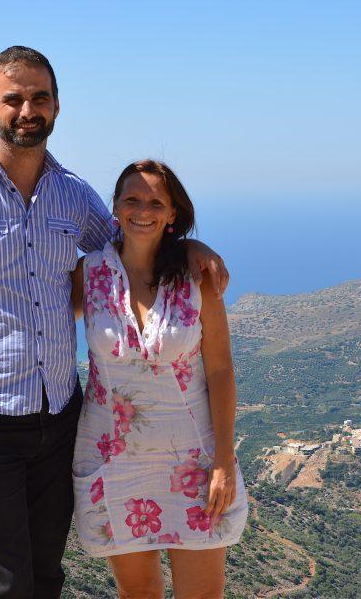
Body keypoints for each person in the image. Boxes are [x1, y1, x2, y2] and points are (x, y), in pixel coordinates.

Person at [0, 46, 228, 598]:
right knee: (3, 578)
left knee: (48, 570)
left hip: (60, 415)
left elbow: (130, 249)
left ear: (56, 107)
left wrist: (190, 244)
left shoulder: (71, 194)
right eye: (14, 99)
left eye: (39, 98)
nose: (27, 109)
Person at [71, 160, 247, 599]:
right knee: (138, 593)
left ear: (173, 214)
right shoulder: (89, 274)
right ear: (115, 208)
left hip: (195, 458)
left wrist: (224, 460)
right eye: (131, 199)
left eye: (155, 202)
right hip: (112, 458)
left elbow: (221, 370)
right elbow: (33, 314)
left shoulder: (196, 278)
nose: (142, 210)